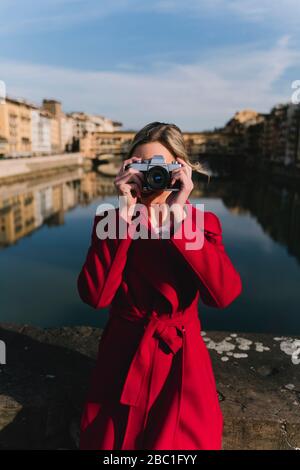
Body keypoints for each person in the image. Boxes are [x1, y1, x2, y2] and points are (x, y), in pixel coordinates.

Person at [77, 121, 243, 450]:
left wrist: (178, 215)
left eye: (159, 168)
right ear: (126, 170)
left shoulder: (199, 223)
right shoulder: (111, 222)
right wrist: (125, 213)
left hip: (181, 361)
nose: (151, 176)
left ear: (179, 169)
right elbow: (96, 297)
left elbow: (223, 295)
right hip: (122, 358)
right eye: (141, 166)